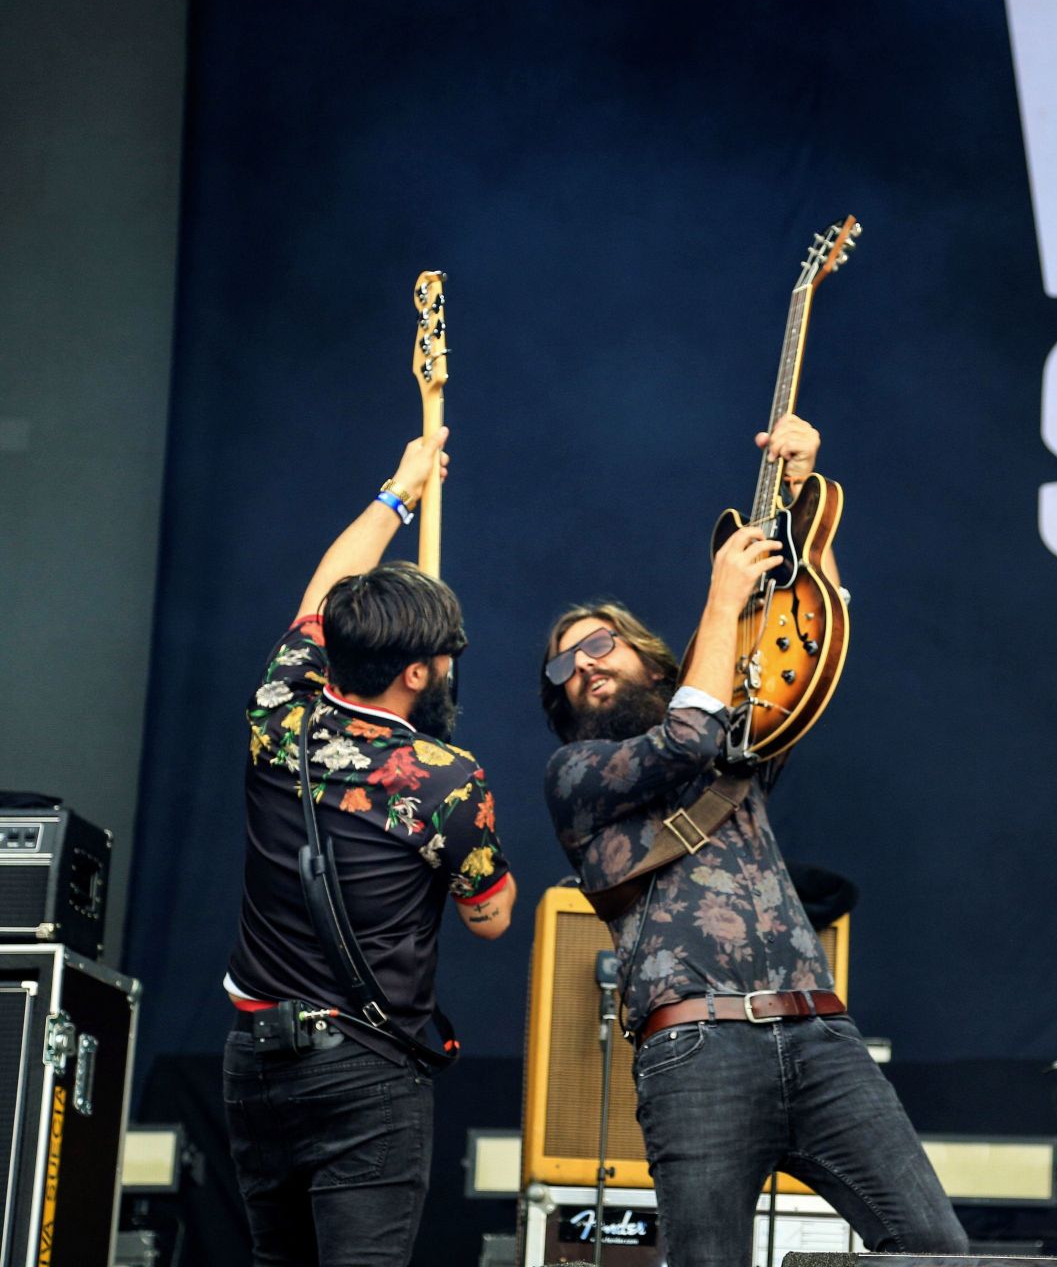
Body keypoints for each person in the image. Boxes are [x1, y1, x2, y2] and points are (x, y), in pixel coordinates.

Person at [539, 414, 967, 1265]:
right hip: (693, 1049)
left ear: (657, 665)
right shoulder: (579, 775)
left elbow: (809, 652)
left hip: (820, 1035)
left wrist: (806, 501)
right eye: (562, 666)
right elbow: (681, 742)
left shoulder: (727, 737)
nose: (582, 664)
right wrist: (722, 599)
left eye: (598, 644)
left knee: (934, 1249)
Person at [222, 427, 517, 1266]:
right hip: (363, 1070)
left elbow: (322, 590)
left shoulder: (278, 712)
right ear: (417, 674)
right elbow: (491, 917)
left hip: (253, 1059)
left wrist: (399, 488)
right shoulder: (445, 780)